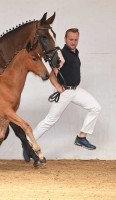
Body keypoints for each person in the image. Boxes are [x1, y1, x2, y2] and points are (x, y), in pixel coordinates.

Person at [23, 28, 101, 161]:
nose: (73, 42)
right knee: (49, 121)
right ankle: (28, 144)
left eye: (76, 39)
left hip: (76, 90)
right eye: (71, 39)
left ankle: (81, 137)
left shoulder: (75, 52)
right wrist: (58, 87)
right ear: (65, 39)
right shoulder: (61, 54)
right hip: (64, 92)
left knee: (95, 107)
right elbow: (53, 74)